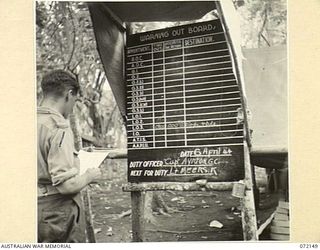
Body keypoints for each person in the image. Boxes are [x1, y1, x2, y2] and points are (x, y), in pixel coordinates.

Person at [37, 70, 101, 243]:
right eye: (75, 100)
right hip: (56, 213)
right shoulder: (58, 128)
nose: (73, 107)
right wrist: (90, 176)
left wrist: (76, 158)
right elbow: (66, 186)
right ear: (69, 94)